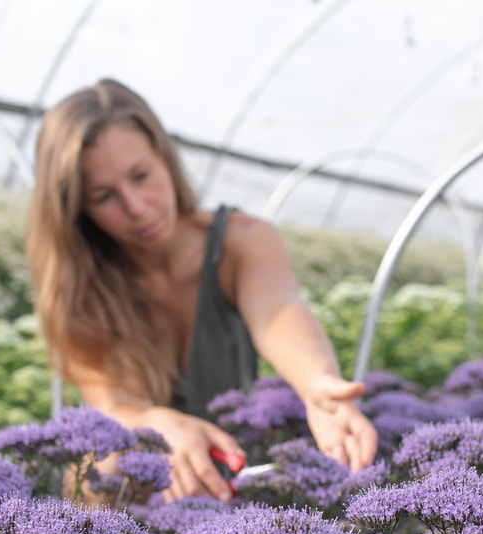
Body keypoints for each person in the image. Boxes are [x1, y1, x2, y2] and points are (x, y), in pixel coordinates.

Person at [26, 79, 377, 502]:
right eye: (104, 196)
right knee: (103, 462)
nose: (137, 207)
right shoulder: (78, 287)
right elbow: (111, 406)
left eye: (141, 176)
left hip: (228, 473)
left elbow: (278, 311)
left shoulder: (242, 242)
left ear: (165, 159)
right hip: (136, 489)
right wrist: (156, 422)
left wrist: (316, 383)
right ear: (77, 209)